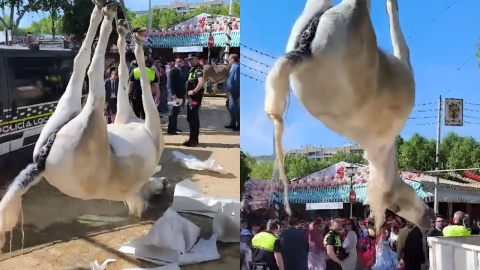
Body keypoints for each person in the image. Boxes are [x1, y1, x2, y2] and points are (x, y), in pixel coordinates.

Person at [183, 52, 205, 147]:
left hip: (195, 98)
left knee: (193, 118)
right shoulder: (191, 70)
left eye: (191, 59)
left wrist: (194, 91)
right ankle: (193, 139)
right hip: (190, 98)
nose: (189, 61)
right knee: (190, 118)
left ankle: (193, 140)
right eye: (188, 59)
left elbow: (201, 82)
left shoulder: (198, 71)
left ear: (197, 60)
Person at [167, 57, 186, 134]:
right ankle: (171, 129)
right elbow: (169, 84)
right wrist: (172, 94)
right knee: (172, 113)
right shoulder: (172, 71)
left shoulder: (181, 71)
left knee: (176, 112)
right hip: (174, 95)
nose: (180, 63)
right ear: (175, 62)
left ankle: (174, 128)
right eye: (178, 62)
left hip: (179, 95)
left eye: (181, 62)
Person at [225, 53, 240, 131]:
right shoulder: (232, 67)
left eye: (229, 59)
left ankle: (238, 124)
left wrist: (233, 91)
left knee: (235, 108)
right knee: (231, 108)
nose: (228, 61)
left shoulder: (237, 67)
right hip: (230, 91)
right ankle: (233, 122)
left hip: (234, 92)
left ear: (233, 59)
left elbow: (237, 81)